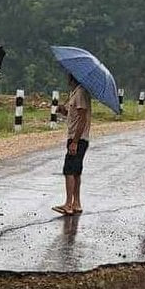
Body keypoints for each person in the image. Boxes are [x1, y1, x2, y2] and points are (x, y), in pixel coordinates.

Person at [53, 73, 90, 215]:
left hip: (77, 138)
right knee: (76, 171)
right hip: (79, 138)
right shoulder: (76, 93)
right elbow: (75, 115)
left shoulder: (80, 92)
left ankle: (68, 204)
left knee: (69, 170)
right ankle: (76, 203)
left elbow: (82, 118)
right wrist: (64, 111)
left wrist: (74, 142)